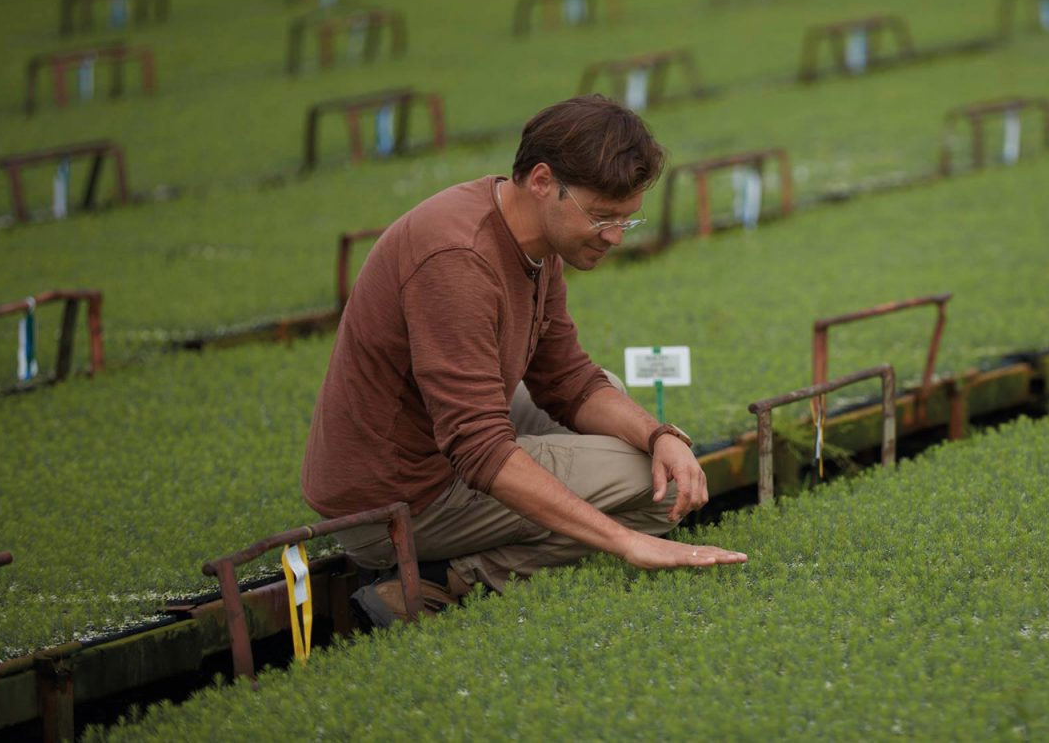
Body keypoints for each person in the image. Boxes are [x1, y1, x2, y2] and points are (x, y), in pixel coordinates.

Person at [300, 95, 746, 625]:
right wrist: (627, 542)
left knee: (619, 408)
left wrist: (660, 436)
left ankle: (474, 556)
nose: (614, 238)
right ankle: (449, 579)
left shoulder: (534, 235)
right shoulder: (457, 260)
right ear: (541, 181)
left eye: (626, 220)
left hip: (434, 441)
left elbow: (567, 380)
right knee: (654, 491)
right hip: (392, 501)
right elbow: (479, 447)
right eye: (602, 217)